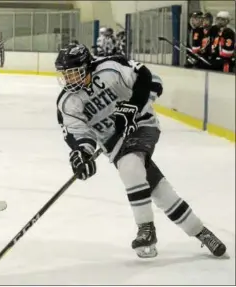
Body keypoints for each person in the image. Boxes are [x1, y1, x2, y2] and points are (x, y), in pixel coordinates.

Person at [55, 43, 227, 258]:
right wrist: (82, 155)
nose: (68, 79)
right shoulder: (67, 102)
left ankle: (146, 228)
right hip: (115, 145)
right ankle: (201, 232)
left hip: (142, 125)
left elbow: (149, 79)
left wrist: (133, 107)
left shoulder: (111, 68)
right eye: (65, 74)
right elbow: (79, 135)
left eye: (73, 73)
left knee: (129, 166)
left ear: (86, 66)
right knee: (159, 190)